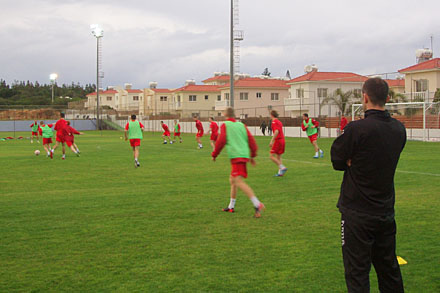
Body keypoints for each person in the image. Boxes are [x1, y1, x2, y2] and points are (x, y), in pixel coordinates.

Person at [330, 78, 406, 293]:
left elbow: (337, 160)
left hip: (357, 214)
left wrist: (351, 160)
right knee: (389, 270)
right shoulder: (399, 129)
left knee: (357, 273)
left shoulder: (357, 129)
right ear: (388, 98)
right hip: (385, 211)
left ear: (364, 97)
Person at [212, 107, 265, 218]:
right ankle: (231, 206)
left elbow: (221, 141)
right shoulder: (242, 125)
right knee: (233, 180)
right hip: (242, 155)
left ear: (225, 114)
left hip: (237, 156)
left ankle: (257, 204)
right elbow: (251, 140)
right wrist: (253, 155)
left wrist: (214, 154)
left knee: (238, 181)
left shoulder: (225, 125)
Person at [269, 110, 287, 176]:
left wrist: (272, 141)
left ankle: (282, 167)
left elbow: (276, 131)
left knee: (271, 156)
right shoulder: (279, 122)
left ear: (271, 115)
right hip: (282, 140)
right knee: (278, 156)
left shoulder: (274, 122)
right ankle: (280, 173)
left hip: (278, 140)